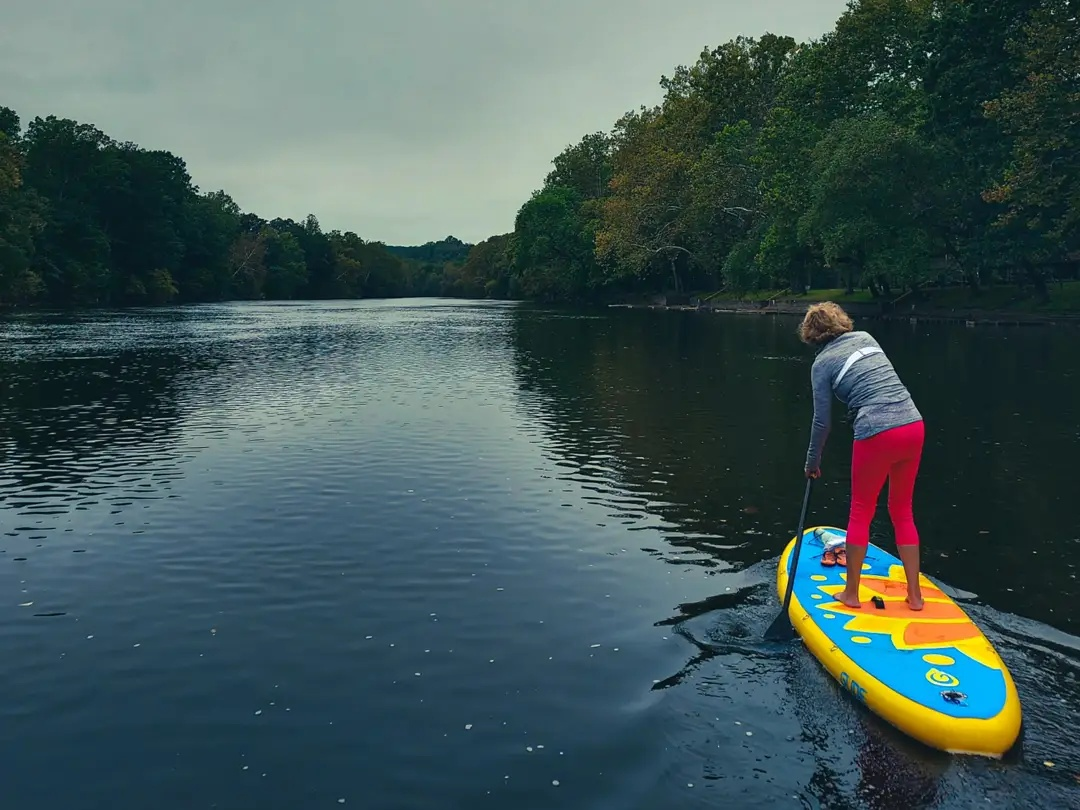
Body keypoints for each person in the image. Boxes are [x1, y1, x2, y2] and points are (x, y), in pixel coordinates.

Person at [798, 302, 926, 610]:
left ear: (811, 335)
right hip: (913, 424)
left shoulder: (821, 364)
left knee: (861, 509)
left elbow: (822, 422)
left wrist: (811, 463)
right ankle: (915, 596)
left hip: (876, 431)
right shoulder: (867, 338)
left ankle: (851, 594)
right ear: (841, 322)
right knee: (902, 510)